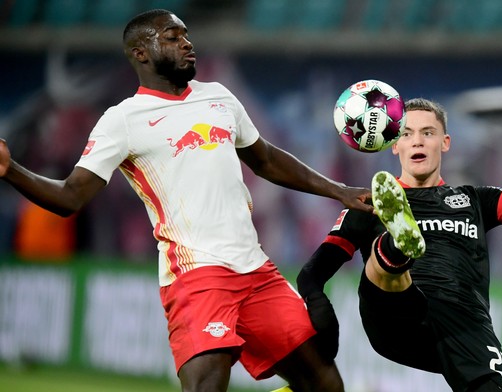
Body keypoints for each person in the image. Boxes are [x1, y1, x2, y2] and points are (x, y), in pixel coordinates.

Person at [0, 9, 376, 392]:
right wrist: (10, 169)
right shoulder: (124, 120)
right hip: (198, 277)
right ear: (140, 53)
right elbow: (70, 195)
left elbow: (265, 159)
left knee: (325, 384)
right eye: (172, 37)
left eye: (185, 35)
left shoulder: (219, 97)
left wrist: (340, 191)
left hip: (257, 272)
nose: (186, 43)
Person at [297, 85, 502, 391]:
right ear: (394, 145)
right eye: (407, 134)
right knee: (389, 266)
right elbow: (312, 272)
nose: (418, 141)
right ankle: (397, 244)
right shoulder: (368, 201)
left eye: (428, 132)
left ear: (445, 142)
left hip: (463, 322)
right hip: (396, 316)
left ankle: (397, 243)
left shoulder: (474, 200)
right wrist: (317, 302)